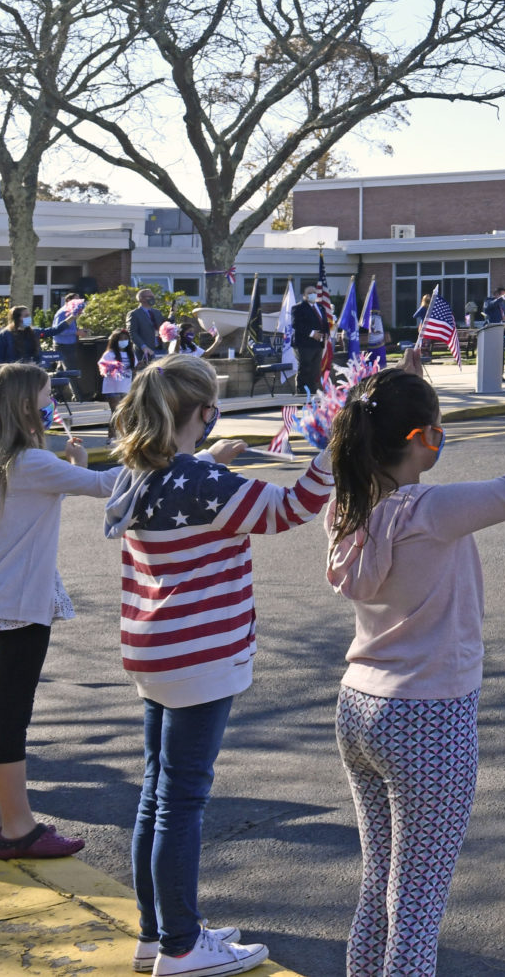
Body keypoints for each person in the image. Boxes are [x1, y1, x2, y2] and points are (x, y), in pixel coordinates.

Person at [325, 350, 505, 977]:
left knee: (380, 885)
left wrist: (403, 385)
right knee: (416, 906)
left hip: (359, 707)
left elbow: (383, 431)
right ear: (423, 439)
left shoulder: (344, 509)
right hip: (428, 718)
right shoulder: (430, 511)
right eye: (437, 429)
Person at [104, 354, 332, 977]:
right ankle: (181, 946)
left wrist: (208, 458)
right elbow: (290, 509)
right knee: (181, 802)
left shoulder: (139, 473)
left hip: (153, 649)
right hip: (201, 654)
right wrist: (330, 457)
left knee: (157, 794)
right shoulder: (205, 483)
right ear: (205, 413)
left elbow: (188, 480)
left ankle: (157, 932)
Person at [0, 361, 121, 860]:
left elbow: (71, 482)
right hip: (21, 605)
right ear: (25, 405)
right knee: (11, 718)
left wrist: (75, 463)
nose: (53, 404)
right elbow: (108, 485)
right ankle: (19, 829)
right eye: (48, 396)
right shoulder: (29, 462)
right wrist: (176, 455)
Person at [292, 287, 334, 394]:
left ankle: (312, 390)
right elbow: (296, 324)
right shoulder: (298, 308)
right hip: (304, 344)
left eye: (314, 292)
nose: (312, 295)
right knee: (305, 367)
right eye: (309, 293)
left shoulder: (320, 307)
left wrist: (326, 334)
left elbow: (325, 323)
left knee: (315, 369)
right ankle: (301, 390)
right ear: (304, 295)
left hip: (318, 343)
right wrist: (312, 333)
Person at [128, 289, 169, 360]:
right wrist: (143, 347)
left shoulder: (157, 312)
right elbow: (132, 333)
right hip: (144, 351)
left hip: (160, 349)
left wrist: (172, 313)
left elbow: (165, 325)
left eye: (153, 296)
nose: (152, 298)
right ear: (141, 299)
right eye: (149, 296)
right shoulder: (134, 314)